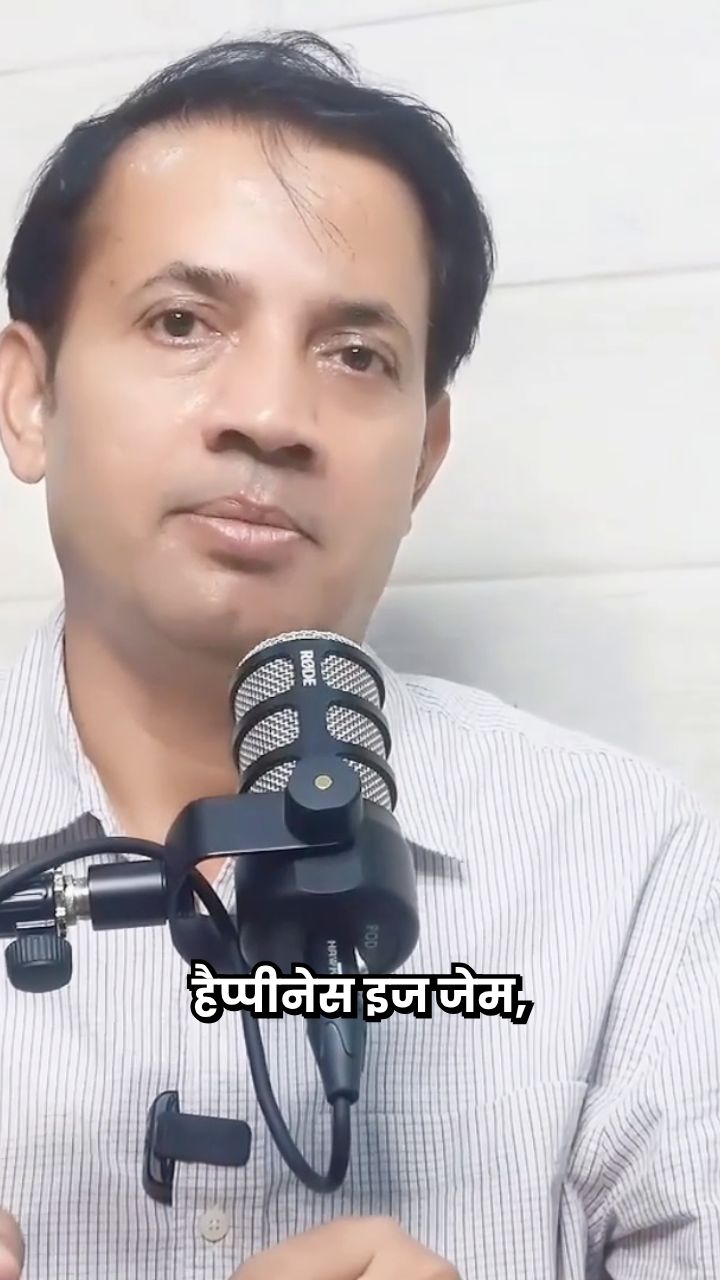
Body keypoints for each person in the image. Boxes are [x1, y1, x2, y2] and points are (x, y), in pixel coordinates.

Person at [0, 29, 718, 1280]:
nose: (271, 415)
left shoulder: (634, 869)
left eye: (356, 355)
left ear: (423, 457)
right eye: (182, 320)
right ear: (28, 396)